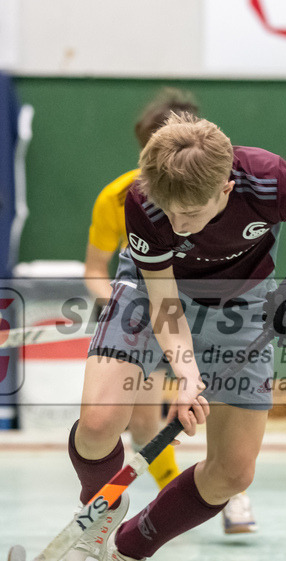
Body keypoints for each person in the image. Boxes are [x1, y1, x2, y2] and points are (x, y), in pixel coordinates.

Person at [60, 112, 286, 561]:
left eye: (192, 214)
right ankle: (100, 508)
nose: (179, 226)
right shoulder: (142, 199)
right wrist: (188, 374)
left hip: (243, 302)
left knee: (234, 471)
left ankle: (128, 553)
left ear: (225, 188)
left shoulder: (270, 179)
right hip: (153, 293)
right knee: (99, 421)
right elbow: (163, 299)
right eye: (170, 213)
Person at [84, 88, 259, 533]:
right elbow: (95, 270)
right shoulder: (120, 197)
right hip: (150, 306)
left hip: (208, 311)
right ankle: (165, 499)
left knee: (219, 415)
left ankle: (226, 490)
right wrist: (115, 307)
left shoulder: (226, 193)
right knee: (141, 419)